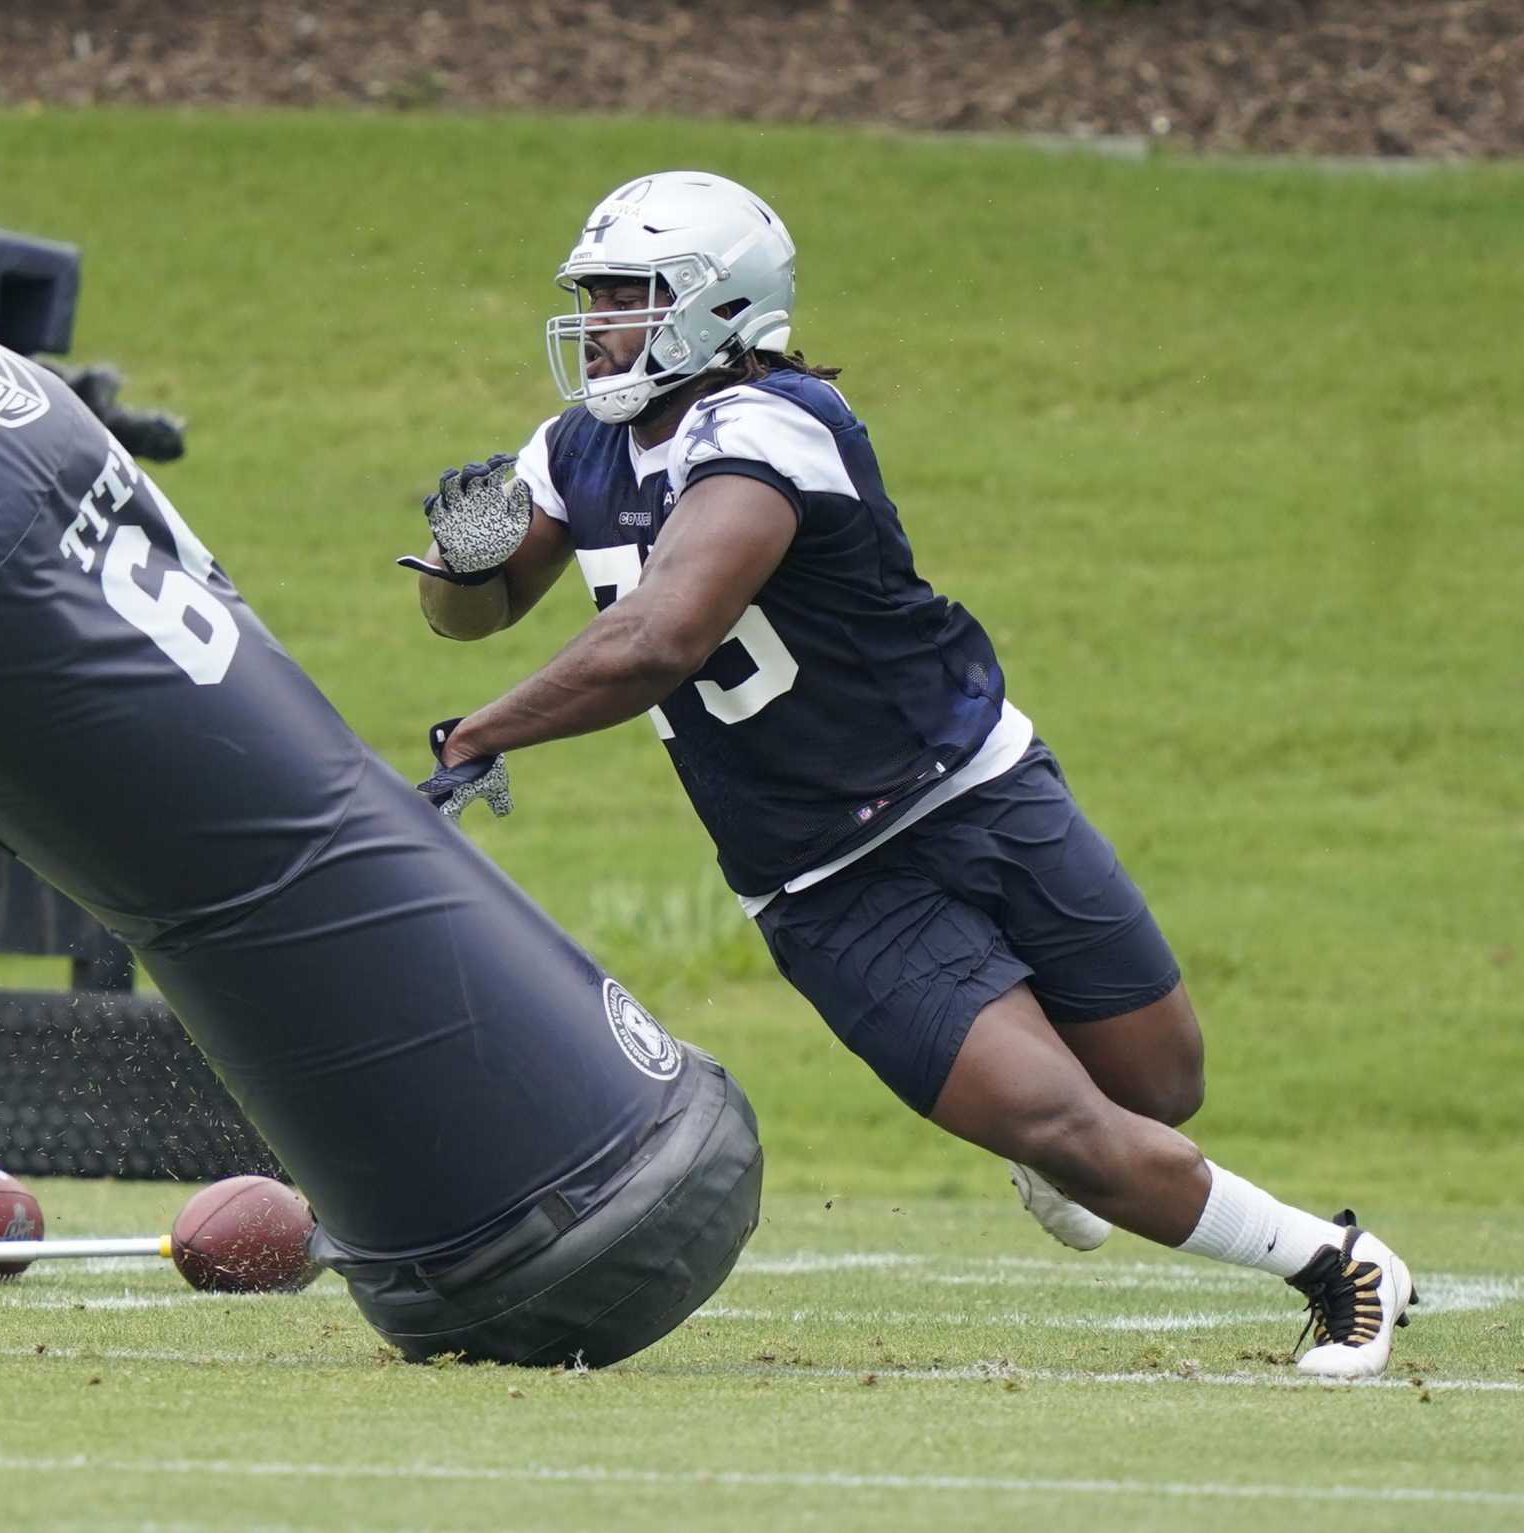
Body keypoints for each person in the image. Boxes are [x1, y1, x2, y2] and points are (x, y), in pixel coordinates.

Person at [398, 170, 1415, 1379]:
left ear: (720, 306)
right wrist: (456, 567)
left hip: (976, 784)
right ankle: (1335, 1264)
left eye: (631, 294)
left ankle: (1067, 1143)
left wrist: (477, 737)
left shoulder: (774, 424)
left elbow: (658, 640)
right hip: (821, 876)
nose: (601, 321)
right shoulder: (579, 446)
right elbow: (476, 609)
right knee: (1064, 1124)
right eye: (594, 295)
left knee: (1159, 1083)